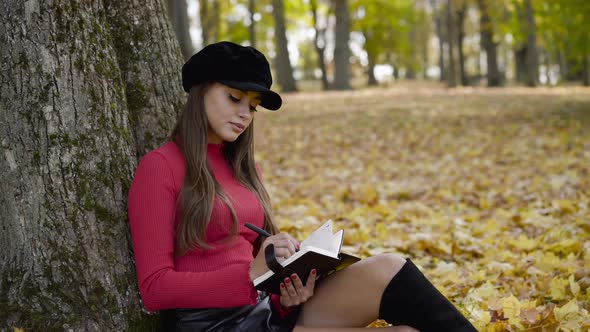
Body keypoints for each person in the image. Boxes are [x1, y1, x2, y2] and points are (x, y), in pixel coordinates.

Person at [128, 41, 477, 332]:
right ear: (201, 92)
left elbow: (251, 255)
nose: (244, 114)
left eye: (252, 106)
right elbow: (155, 289)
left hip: (267, 310)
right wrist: (248, 275)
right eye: (234, 98)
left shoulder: (245, 168)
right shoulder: (160, 167)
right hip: (215, 324)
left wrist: (284, 279)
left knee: (388, 267)